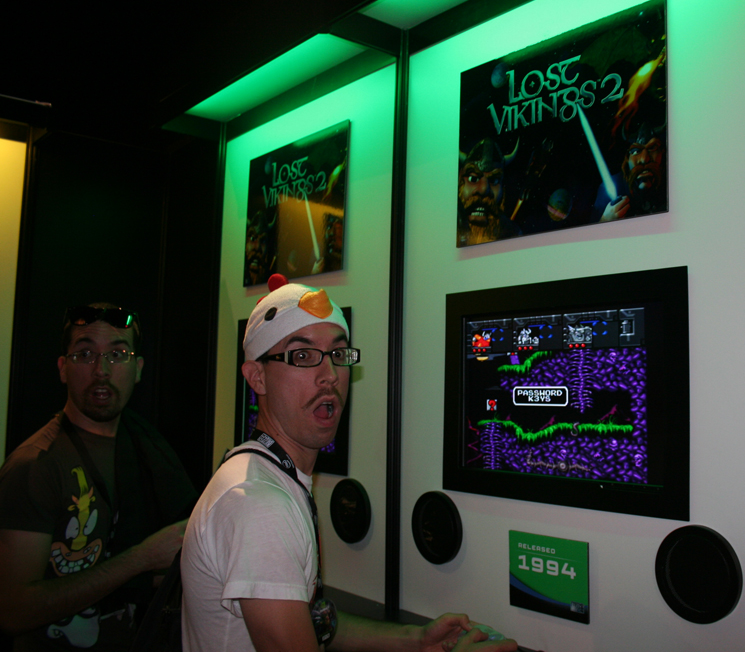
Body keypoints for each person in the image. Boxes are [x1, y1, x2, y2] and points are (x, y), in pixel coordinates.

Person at [181, 276, 516, 652]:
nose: (329, 376)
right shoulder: (258, 504)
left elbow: (312, 623)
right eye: (302, 356)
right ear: (257, 377)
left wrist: (416, 640)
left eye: (338, 355)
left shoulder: (272, 475)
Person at [0, 304, 197, 651]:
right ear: (63, 368)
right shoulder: (34, 465)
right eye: (85, 354)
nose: (101, 370)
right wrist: (140, 558)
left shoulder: (146, 451)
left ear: (138, 369)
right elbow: (14, 611)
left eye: (117, 354)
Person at [593, 120, 666, 222]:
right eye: (636, 151)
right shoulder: (611, 187)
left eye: (652, 148)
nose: (644, 159)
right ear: (627, 158)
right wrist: (605, 220)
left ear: (662, 153)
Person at [457, 138, 521, 246]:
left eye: (494, 181)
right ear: (459, 181)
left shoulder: (513, 234)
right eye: (473, 179)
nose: (484, 189)